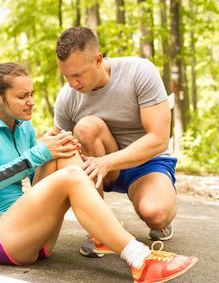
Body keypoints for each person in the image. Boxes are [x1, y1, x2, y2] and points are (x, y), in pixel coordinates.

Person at [0, 62, 197, 282]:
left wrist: (59, 153)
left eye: (31, 94)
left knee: (64, 148)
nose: (31, 101)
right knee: (67, 173)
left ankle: (104, 234)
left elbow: (36, 184)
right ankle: (140, 259)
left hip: (35, 238)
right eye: (22, 96)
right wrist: (40, 154)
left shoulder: (23, 127)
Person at [54, 27, 178, 258]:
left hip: (146, 162)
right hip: (100, 164)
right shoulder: (67, 96)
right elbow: (59, 149)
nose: (72, 83)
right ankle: (99, 231)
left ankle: (164, 202)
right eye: (66, 76)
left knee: (155, 213)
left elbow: (159, 139)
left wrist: (107, 162)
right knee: (85, 127)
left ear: (98, 59)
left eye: (77, 75)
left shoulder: (139, 72)